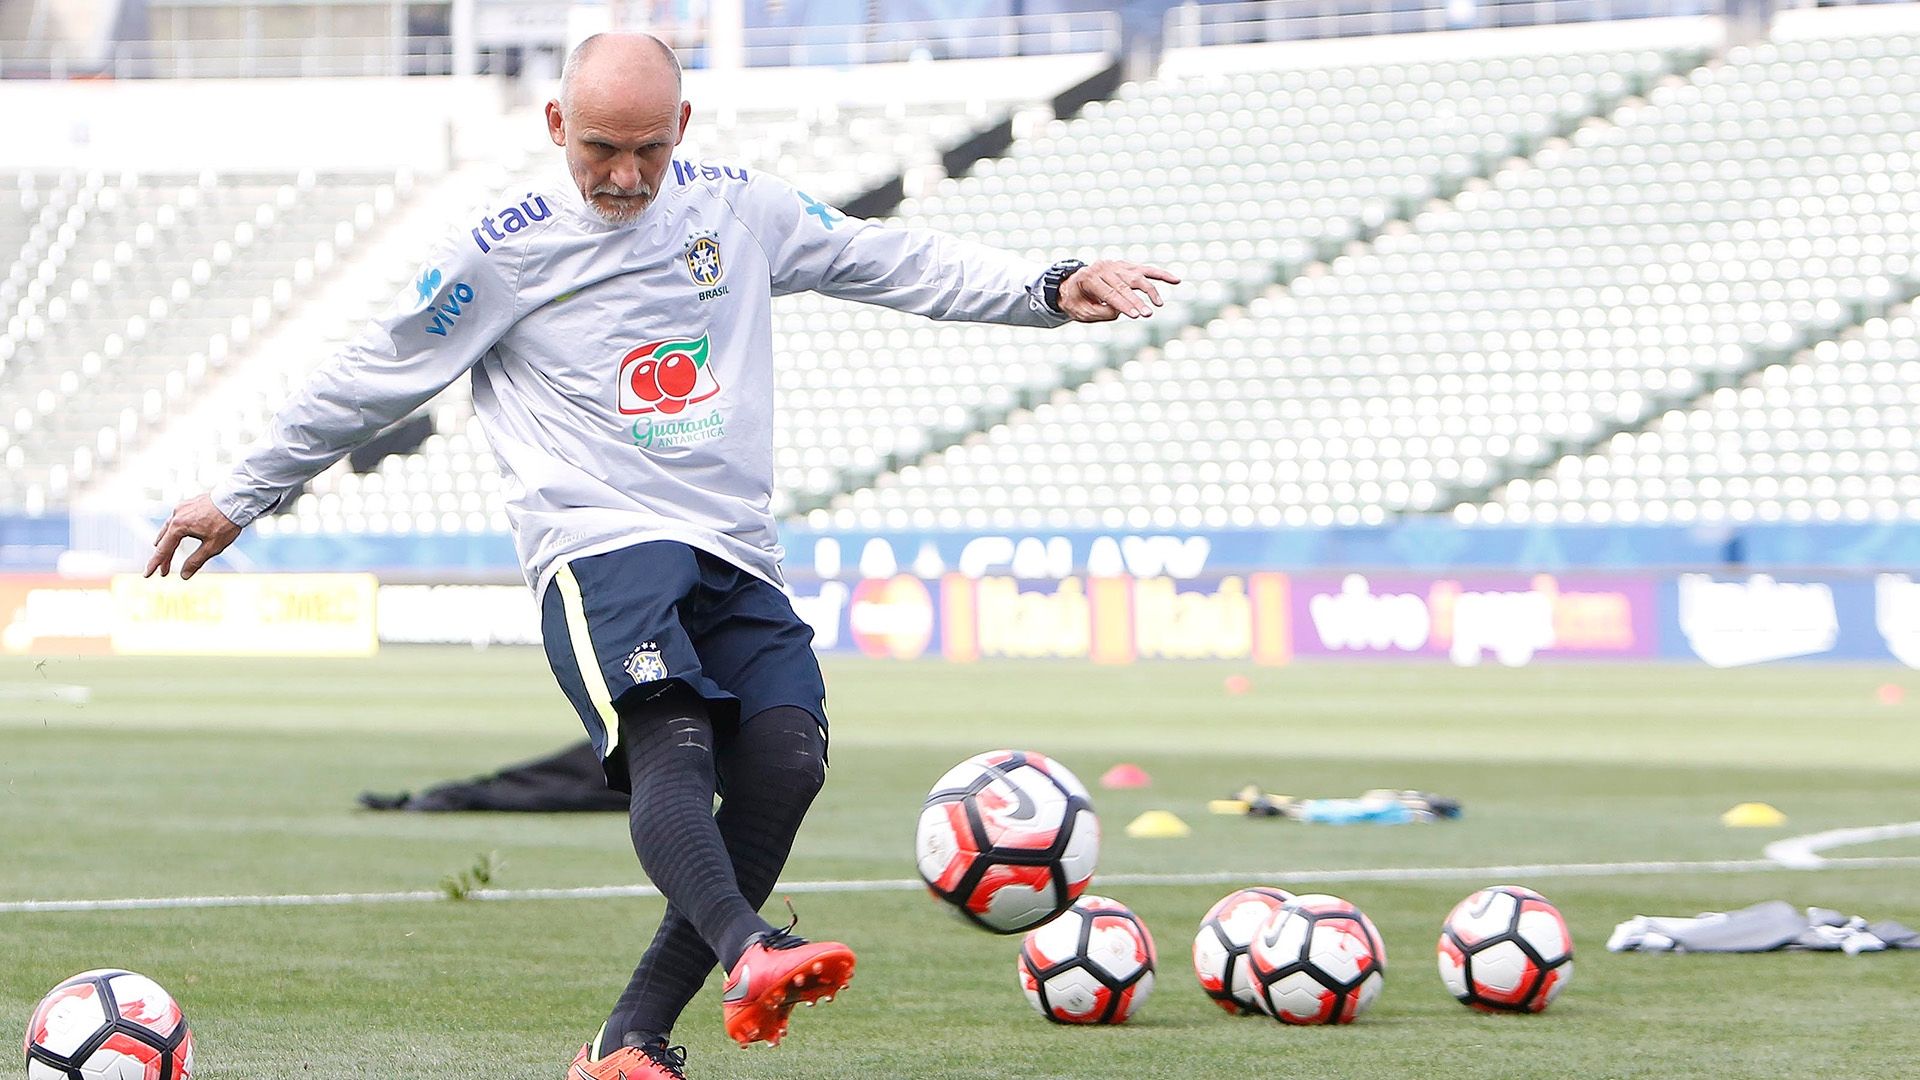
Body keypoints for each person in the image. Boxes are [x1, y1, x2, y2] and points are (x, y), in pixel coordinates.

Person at [146, 31, 1179, 1080]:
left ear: (682, 126)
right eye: (601, 148)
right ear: (557, 125)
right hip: (599, 541)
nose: (627, 175)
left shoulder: (742, 209)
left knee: (787, 761)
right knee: (670, 740)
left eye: (649, 148)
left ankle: (625, 1043)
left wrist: (1045, 286)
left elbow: (889, 258)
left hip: (734, 548)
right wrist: (241, 494)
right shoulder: (500, 250)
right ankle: (748, 948)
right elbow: (376, 373)